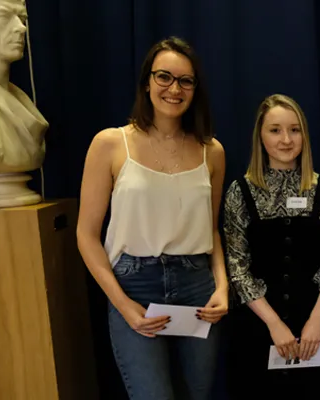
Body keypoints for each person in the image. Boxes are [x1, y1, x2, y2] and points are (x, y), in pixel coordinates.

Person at [77, 37, 228, 400]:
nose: (174, 89)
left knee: (198, 393)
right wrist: (122, 303)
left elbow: (210, 230)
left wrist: (222, 287)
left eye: (185, 81)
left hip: (196, 285)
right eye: (164, 77)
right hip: (134, 286)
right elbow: (86, 235)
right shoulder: (111, 144)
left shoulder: (212, 151)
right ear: (147, 81)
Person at [223, 94, 320, 399]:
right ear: (260, 135)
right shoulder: (240, 192)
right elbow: (237, 267)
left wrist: (315, 320)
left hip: (316, 328)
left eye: (294, 130)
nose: (286, 139)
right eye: (275, 130)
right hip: (259, 328)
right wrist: (274, 324)